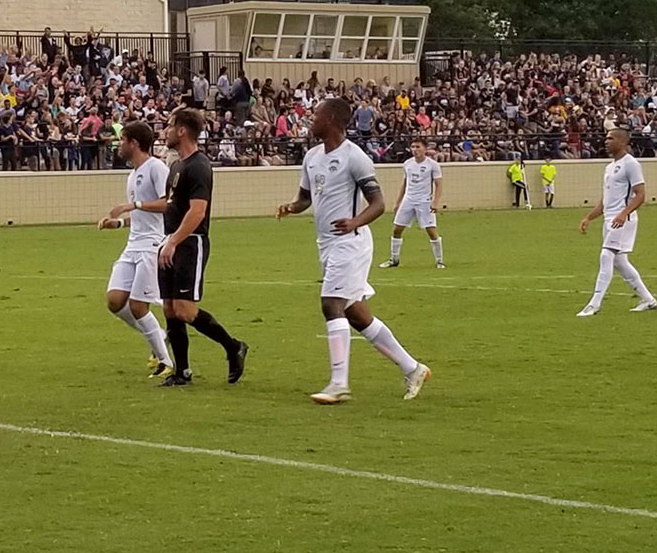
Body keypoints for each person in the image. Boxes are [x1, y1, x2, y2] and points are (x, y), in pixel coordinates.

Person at [277, 98, 431, 405]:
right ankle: (413, 368)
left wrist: (354, 222)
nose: (311, 118)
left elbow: (379, 204)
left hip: (351, 243)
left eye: (317, 114)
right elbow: (307, 197)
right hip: (327, 244)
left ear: (332, 119)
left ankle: (339, 383)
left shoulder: (355, 157)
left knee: (330, 303)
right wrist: (292, 207)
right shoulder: (311, 157)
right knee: (357, 314)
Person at [155, 108, 248, 387]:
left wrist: (174, 241)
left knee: (185, 309)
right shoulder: (176, 166)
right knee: (170, 308)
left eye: (170, 126)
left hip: (189, 242)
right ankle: (182, 371)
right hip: (170, 240)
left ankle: (233, 346)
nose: (166, 131)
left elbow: (197, 212)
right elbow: (169, 203)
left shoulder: (199, 165)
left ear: (182, 130)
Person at [96, 121, 175, 378]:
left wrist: (132, 206)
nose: (119, 145)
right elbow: (142, 215)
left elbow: (168, 204)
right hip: (133, 245)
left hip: (152, 245)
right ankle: (161, 337)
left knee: (139, 306)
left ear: (135, 143)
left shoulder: (157, 168)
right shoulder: (132, 175)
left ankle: (166, 362)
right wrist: (118, 223)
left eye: (123, 140)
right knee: (115, 300)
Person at [576, 129, 657, 317]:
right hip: (610, 219)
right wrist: (589, 218)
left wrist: (623, 214)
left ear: (622, 142)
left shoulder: (631, 164)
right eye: (605, 138)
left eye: (610, 138)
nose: (606, 141)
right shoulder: (609, 167)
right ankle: (648, 299)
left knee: (606, 256)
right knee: (620, 262)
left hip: (622, 220)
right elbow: (606, 201)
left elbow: (641, 195)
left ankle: (594, 304)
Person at [380, 138, 444, 269]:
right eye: (413, 147)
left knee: (431, 231)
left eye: (418, 147)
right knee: (397, 229)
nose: (415, 150)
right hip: (408, 200)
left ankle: (439, 260)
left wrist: (435, 202)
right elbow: (405, 183)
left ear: (425, 149)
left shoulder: (432, 165)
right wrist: (398, 202)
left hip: (424, 201)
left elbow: (439, 184)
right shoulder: (407, 164)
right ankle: (394, 260)